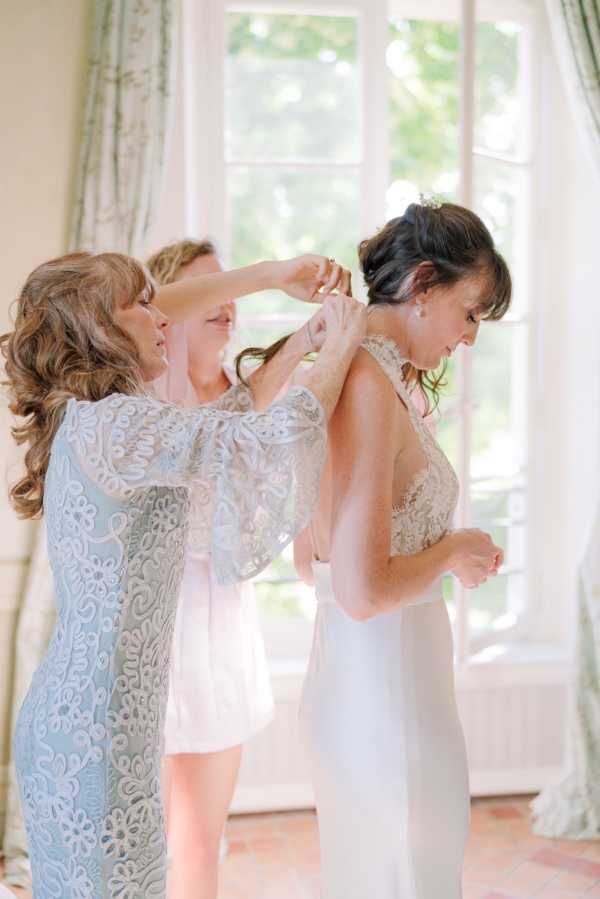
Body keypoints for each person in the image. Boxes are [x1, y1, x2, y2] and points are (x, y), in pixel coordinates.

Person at [2, 249, 366, 899]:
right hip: (94, 738)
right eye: (141, 305)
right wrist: (339, 346)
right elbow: (260, 443)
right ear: (100, 331)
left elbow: (218, 430)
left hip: (103, 726)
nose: (163, 317)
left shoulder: (114, 419)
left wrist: (300, 342)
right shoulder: (116, 422)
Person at [244, 201, 510, 898]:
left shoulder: (359, 372)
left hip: (364, 684)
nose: (471, 336)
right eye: (472, 311)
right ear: (425, 284)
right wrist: (453, 548)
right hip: (392, 700)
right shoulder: (366, 382)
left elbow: (313, 564)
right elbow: (360, 590)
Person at [146, 239, 273, 899]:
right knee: (159, 841)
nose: (227, 305)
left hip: (227, 630)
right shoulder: (153, 384)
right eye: (210, 292)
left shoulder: (247, 389)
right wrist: (268, 274)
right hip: (161, 632)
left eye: (231, 293)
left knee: (202, 840)